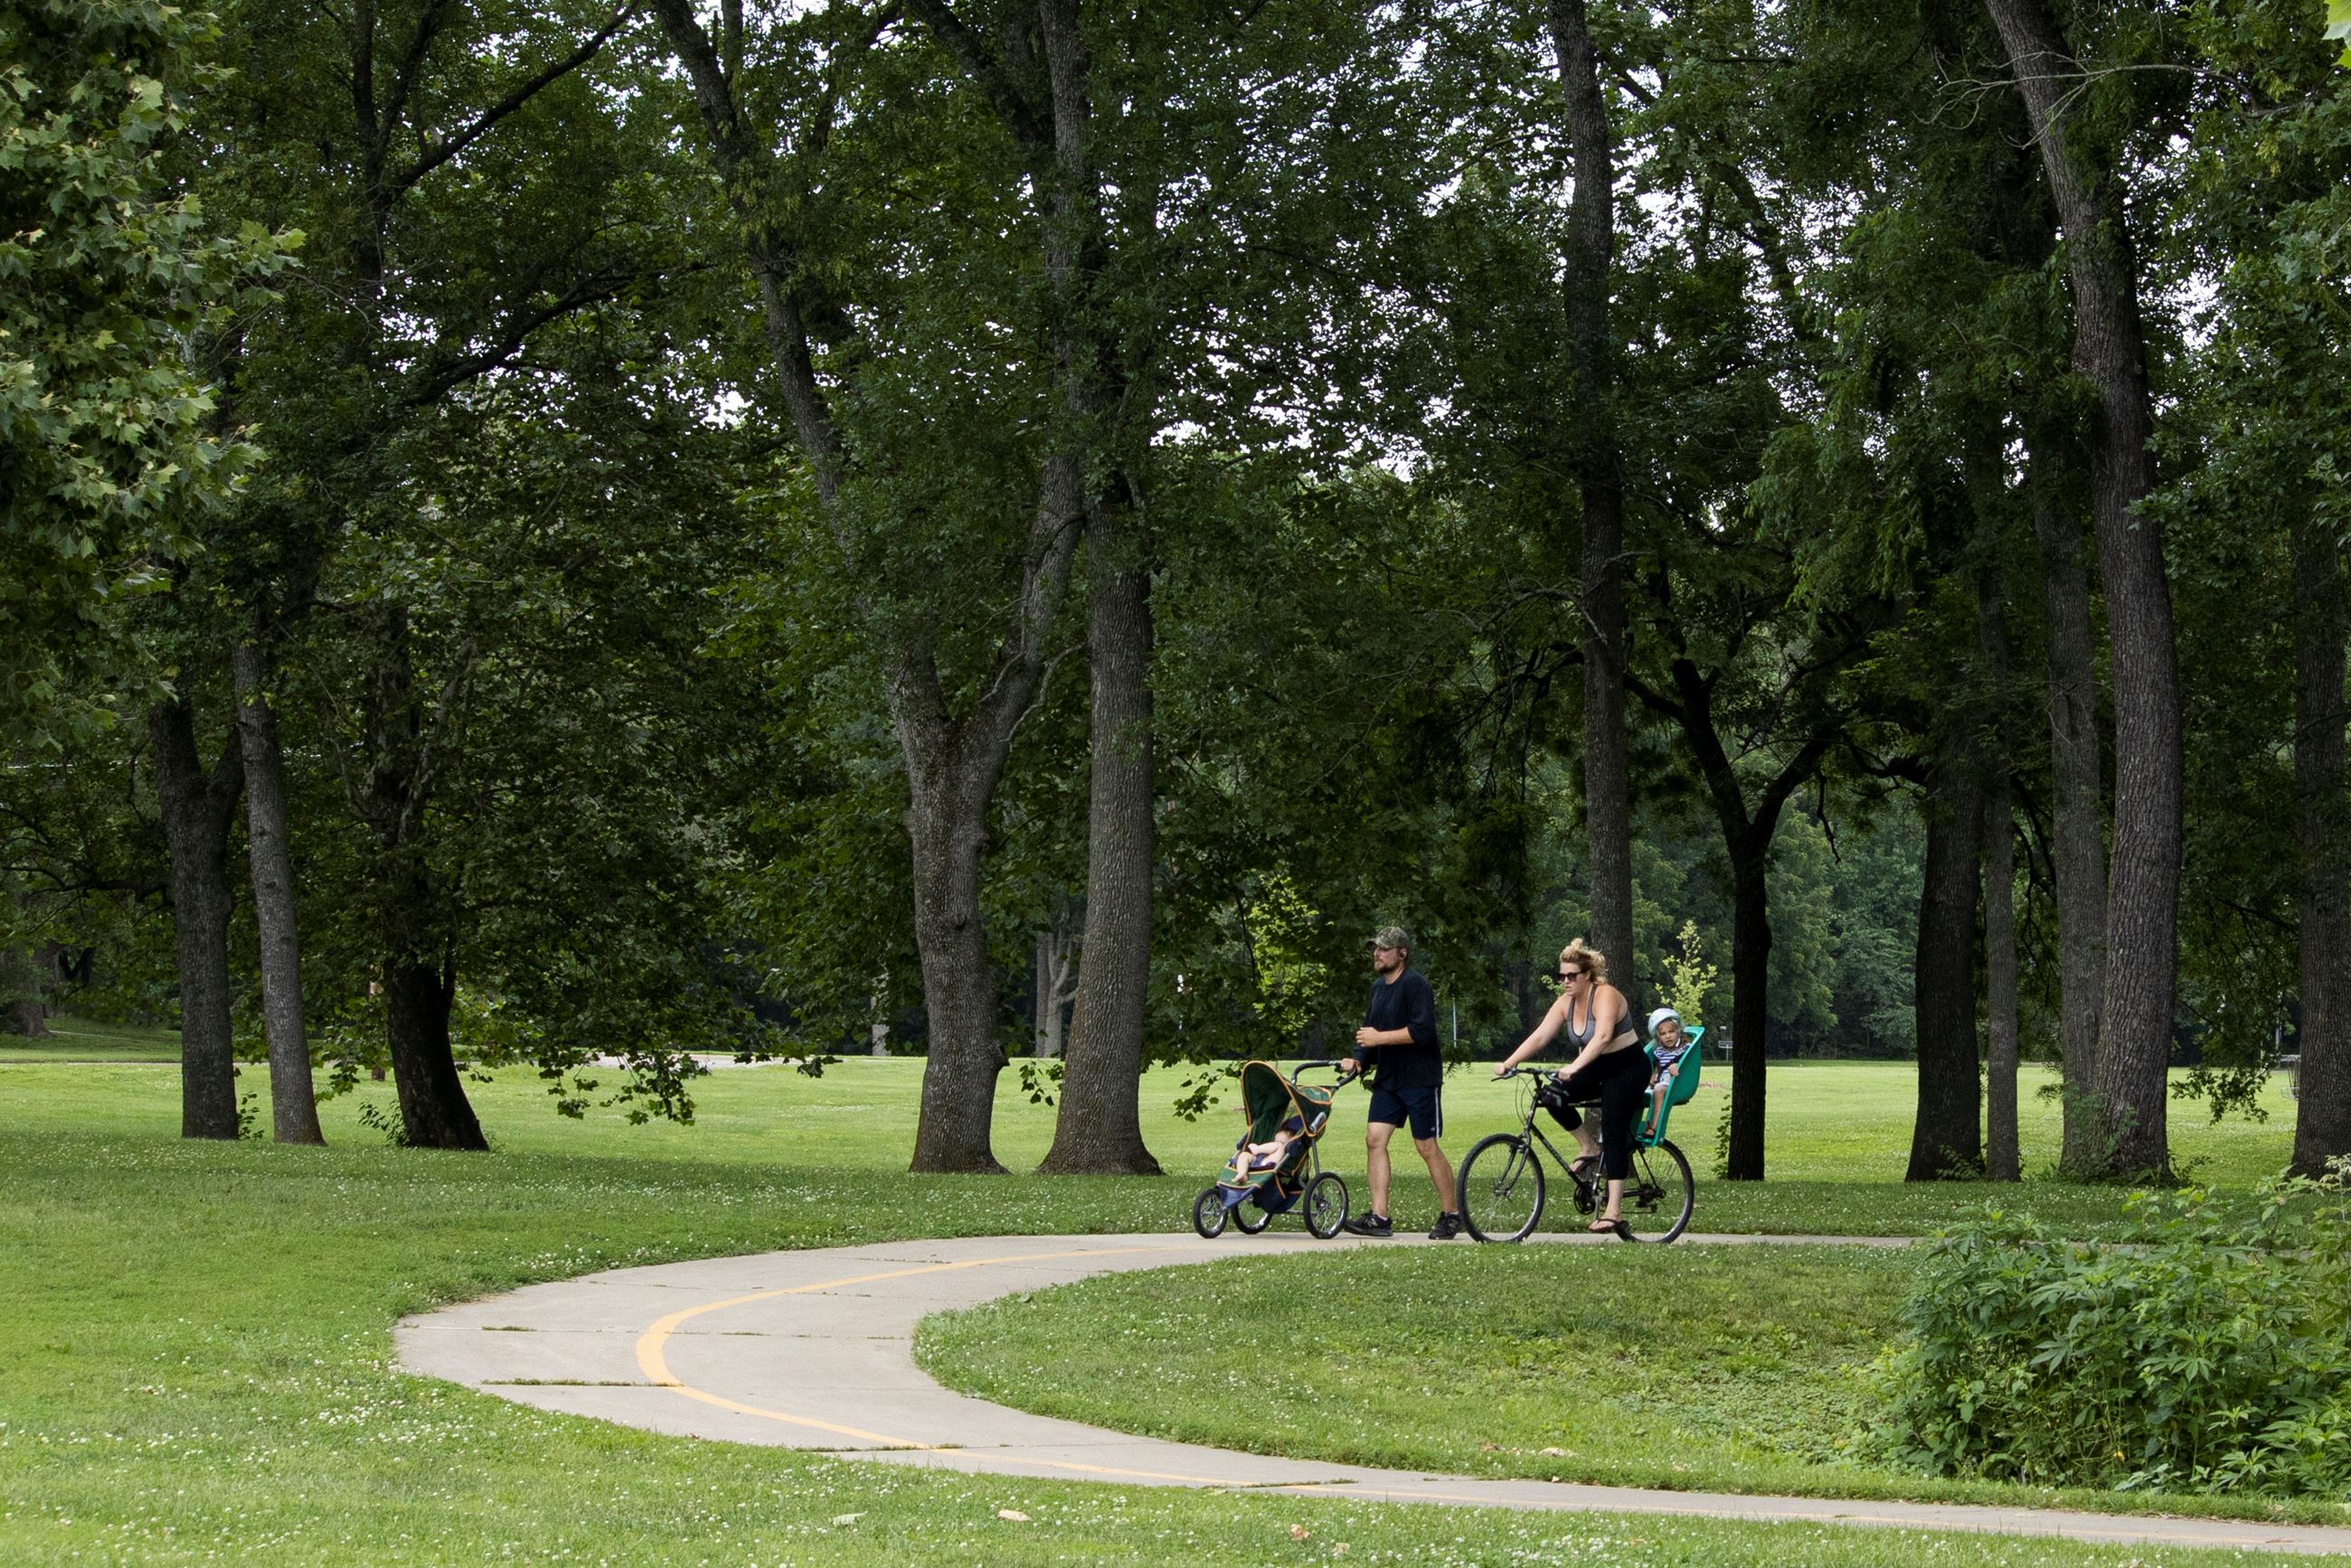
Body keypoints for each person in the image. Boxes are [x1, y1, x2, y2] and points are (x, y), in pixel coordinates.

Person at [1492, 938, 1643, 1233]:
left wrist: (1574, 1067)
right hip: (1597, 1067)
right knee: (1550, 1096)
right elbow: (1539, 1037)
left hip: (1628, 1068)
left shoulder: (1606, 995)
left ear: (1586, 975)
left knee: (1613, 1129)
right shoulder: (1565, 1004)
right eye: (1562, 976)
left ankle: (1614, 1211)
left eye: (1571, 976)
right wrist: (1509, 1062)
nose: (1565, 981)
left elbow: (1601, 1038)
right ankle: (1588, 1146)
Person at [1336, 926, 1462, 1239]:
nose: (1377, 954)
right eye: (1375, 948)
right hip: (1388, 1079)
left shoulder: (1416, 985)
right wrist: (1359, 1058)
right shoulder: (1378, 988)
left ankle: (1451, 1214)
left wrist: (1379, 1038)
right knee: (1374, 1139)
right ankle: (1379, 1217)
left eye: (1383, 949)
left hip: (1419, 1079)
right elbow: (1370, 1032)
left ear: (1402, 953)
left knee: (1426, 1146)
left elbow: (1422, 1032)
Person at [1640, 1007, 1695, 1140]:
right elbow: (1658, 1068)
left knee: (1659, 1090)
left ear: (1678, 1031)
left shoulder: (1685, 1049)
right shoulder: (1659, 1051)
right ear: (1658, 1037)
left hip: (1676, 1082)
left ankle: (1653, 1128)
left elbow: (1689, 1065)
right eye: (1663, 1034)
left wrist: (1678, 1066)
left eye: (1671, 1032)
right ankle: (1631, 1128)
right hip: (1662, 1080)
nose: (1668, 1036)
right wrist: (1653, 1077)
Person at [1228, 1114, 1305, 1179]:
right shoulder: (1274, 1147)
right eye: (1275, 1141)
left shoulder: (1283, 1149)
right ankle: (1242, 1173)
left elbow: (1283, 1147)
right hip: (1258, 1161)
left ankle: (1257, 1149)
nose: (1276, 1143)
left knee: (1280, 1147)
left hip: (1269, 1165)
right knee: (1244, 1155)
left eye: (1282, 1142)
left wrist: (1279, 1144)